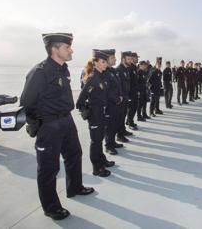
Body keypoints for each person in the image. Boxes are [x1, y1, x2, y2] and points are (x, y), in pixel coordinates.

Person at [20, 33, 94, 220]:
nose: (71, 50)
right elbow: (27, 101)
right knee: (48, 168)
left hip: (66, 121)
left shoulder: (63, 69)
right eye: (67, 47)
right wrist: (35, 123)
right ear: (55, 49)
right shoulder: (40, 71)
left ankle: (74, 187)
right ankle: (51, 207)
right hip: (49, 125)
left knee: (74, 154)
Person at [77, 49, 115, 178]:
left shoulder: (101, 76)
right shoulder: (93, 78)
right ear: (96, 62)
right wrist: (86, 111)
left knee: (100, 139)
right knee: (96, 141)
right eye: (103, 62)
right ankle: (96, 168)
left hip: (102, 113)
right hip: (95, 115)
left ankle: (102, 160)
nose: (105, 64)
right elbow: (80, 100)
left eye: (106, 61)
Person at [102, 49, 124, 155]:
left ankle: (113, 142)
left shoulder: (113, 71)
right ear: (106, 59)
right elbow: (107, 90)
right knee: (109, 126)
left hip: (117, 103)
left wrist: (120, 96)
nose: (115, 59)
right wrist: (116, 99)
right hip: (110, 104)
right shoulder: (105, 72)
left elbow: (117, 86)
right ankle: (108, 146)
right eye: (112, 57)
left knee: (115, 124)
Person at [116, 51, 133, 143]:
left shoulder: (126, 69)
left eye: (131, 59)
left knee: (123, 116)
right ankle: (119, 135)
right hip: (121, 99)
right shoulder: (119, 70)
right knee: (120, 117)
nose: (130, 61)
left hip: (126, 97)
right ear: (123, 59)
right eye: (128, 59)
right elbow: (118, 86)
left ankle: (123, 131)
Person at [126, 52, 139, 131]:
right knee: (132, 108)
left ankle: (129, 120)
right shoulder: (130, 68)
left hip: (135, 91)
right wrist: (129, 93)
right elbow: (129, 81)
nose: (137, 59)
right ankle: (130, 122)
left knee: (134, 107)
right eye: (136, 57)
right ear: (133, 58)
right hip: (131, 92)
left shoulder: (134, 67)